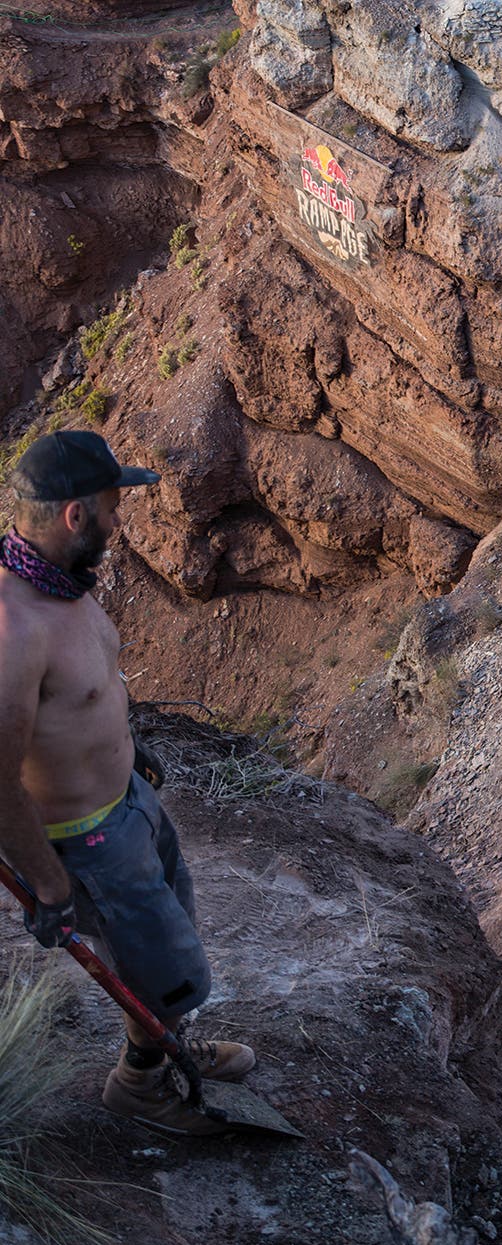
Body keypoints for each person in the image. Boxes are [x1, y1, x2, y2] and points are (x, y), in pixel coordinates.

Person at [0, 430, 254, 1135]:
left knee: (166, 947)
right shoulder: (13, 631)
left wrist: (127, 747)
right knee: (170, 973)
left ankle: (161, 1035)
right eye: (113, 507)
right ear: (76, 515)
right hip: (90, 842)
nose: (120, 522)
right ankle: (139, 1084)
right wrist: (50, 885)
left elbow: (88, 690)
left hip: (129, 805)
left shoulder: (64, 583)